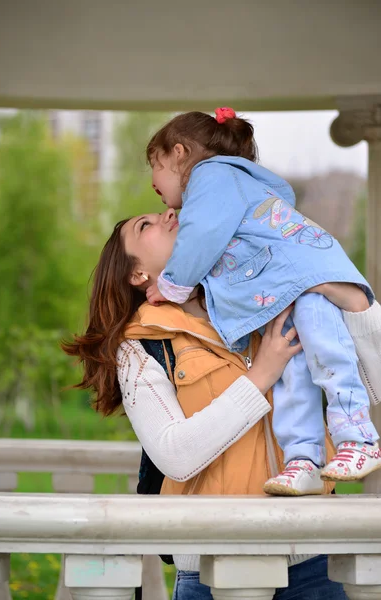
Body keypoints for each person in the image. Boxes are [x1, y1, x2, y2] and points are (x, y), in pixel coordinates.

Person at [62, 209, 381, 600]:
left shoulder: (268, 295)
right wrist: (262, 374)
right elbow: (175, 454)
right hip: (211, 571)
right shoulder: (141, 346)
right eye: (144, 226)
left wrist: (350, 297)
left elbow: (369, 384)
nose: (167, 215)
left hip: (316, 561)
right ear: (137, 274)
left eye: (166, 212)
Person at [144, 108, 381, 495]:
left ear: (178, 153)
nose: (155, 186)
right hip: (286, 289)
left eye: (154, 167)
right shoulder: (234, 183)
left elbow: (200, 237)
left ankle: (357, 437)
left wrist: (172, 285)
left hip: (307, 280)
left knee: (327, 355)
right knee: (294, 371)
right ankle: (302, 458)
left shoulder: (211, 176)